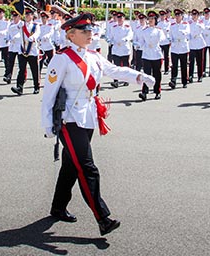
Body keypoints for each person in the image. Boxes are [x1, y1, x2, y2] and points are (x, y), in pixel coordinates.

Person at [41, 13, 155, 235]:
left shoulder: (93, 56)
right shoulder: (62, 58)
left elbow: (115, 70)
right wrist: (47, 124)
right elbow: (49, 94)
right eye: (84, 31)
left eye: (90, 30)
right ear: (70, 34)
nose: (89, 34)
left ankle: (58, 206)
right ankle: (102, 217)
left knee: (71, 165)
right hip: (69, 118)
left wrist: (140, 76)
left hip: (88, 116)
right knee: (87, 167)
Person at [11, 8, 40, 95]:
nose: (27, 16)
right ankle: (19, 87)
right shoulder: (21, 25)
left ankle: (36, 86)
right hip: (22, 50)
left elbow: (37, 33)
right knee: (21, 70)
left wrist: (33, 37)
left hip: (32, 50)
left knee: (34, 70)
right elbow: (13, 28)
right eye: (26, 14)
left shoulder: (35, 25)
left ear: (32, 16)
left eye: (28, 14)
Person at [139, 10, 166, 101]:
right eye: (149, 18)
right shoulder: (144, 30)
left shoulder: (159, 31)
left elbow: (162, 39)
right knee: (146, 75)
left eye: (152, 19)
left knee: (157, 74)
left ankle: (157, 91)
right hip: (147, 54)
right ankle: (144, 92)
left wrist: (157, 41)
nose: (150, 20)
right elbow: (141, 42)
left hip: (156, 54)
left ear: (155, 20)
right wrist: (141, 46)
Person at [167, 9, 190, 89]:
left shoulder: (186, 24)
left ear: (182, 16)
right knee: (174, 66)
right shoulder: (172, 25)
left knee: (183, 65)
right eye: (176, 15)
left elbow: (187, 33)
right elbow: (170, 35)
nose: (177, 17)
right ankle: (173, 81)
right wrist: (170, 39)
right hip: (175, 47)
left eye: (179, 15)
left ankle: (184, 81)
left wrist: (182, 32)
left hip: (183, 46)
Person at [187, 9, 206, 83]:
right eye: (193, 15)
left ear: (198, 16)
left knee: (200, 61)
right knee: (191, 61)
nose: (194, 16)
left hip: (199, 43)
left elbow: (203, 30)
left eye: (195, 15)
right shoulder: (189, 23)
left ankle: (200, 75)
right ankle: (191, 75)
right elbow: (187, 32)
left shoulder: (200, 23)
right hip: (192, 44)